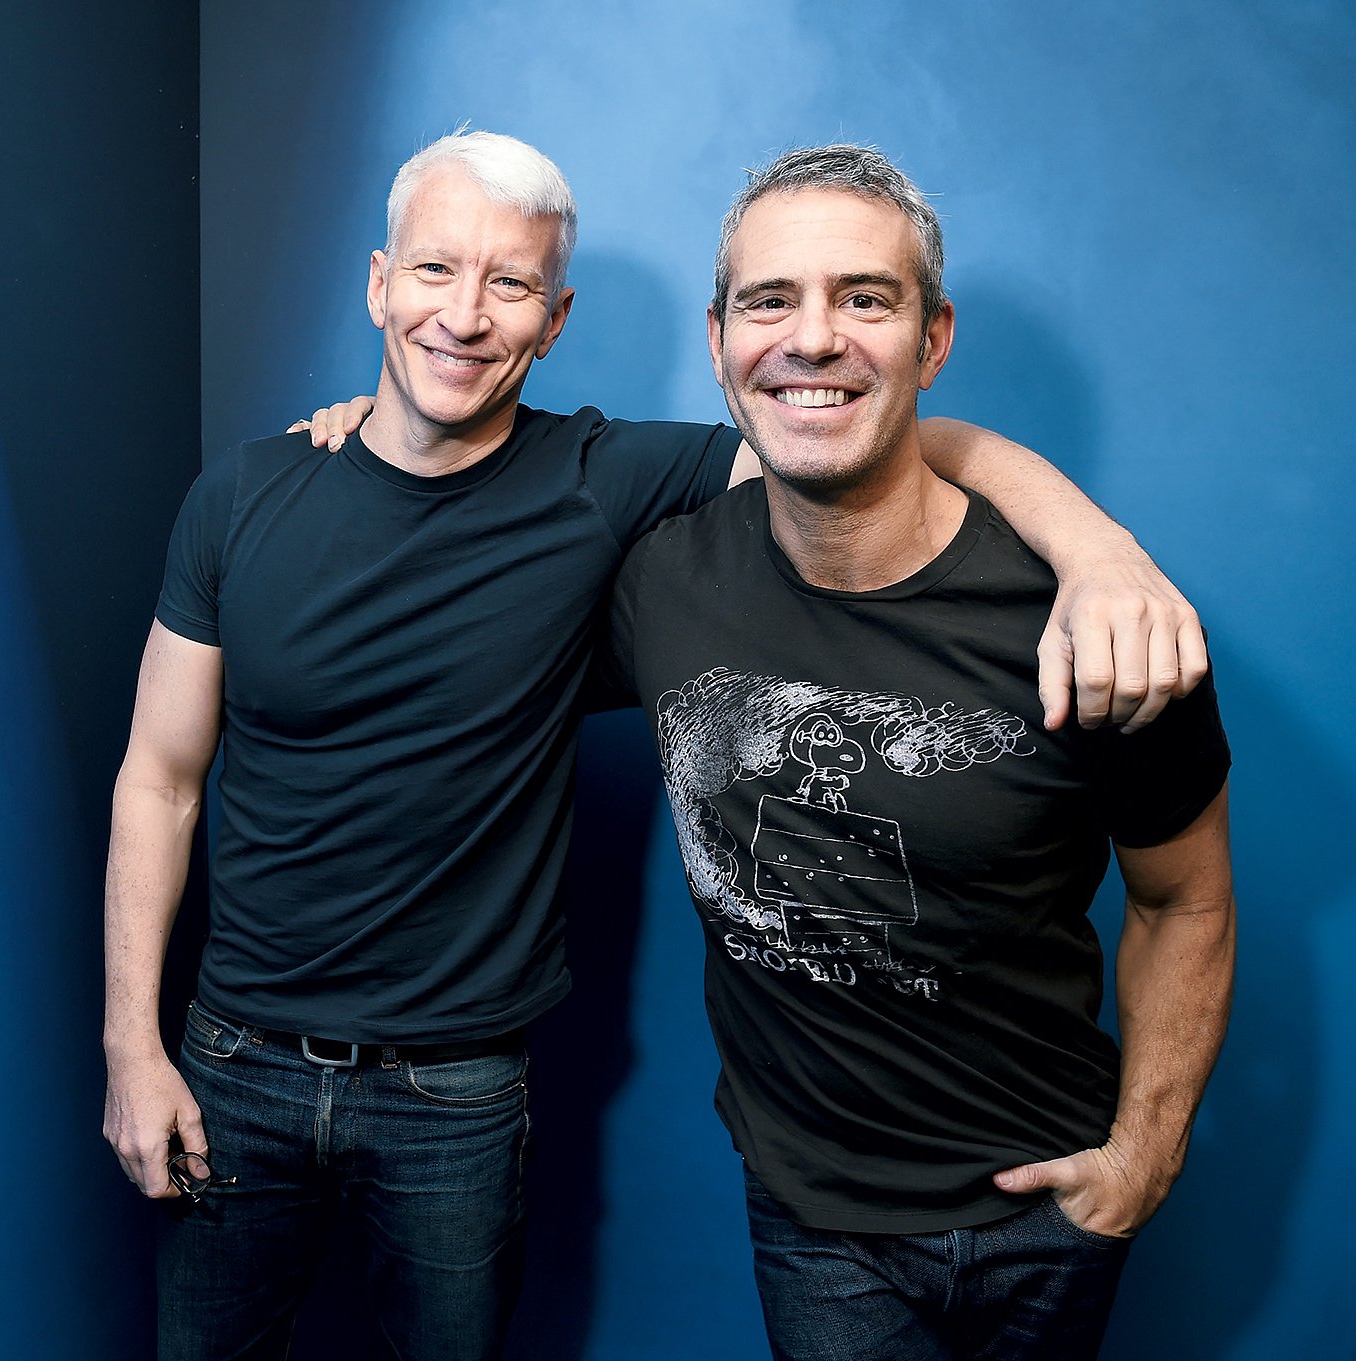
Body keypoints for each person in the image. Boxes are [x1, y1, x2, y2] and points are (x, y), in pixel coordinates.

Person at [103, 130, 1206, 1360]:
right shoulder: (247, 496)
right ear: (377, 284)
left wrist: (1097, 547)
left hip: (455, 1091)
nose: (464, 315)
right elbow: (159, 778)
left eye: (509, 284)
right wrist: (128, 1043)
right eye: (433, 273)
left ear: (555, 317)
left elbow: (853, 426)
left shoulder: (605, 481)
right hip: (232, 1059)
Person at [605, 144, 1235, 1359]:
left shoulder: (1097, 624)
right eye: (771, 299)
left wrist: (1143, 1156)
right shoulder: (661, 580)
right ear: (721, 338)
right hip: (812, 1218)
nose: (815, 337)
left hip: (1047, 1207)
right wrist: (385, 413)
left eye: (866, 298)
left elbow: (1185, 899)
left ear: (932, 339)